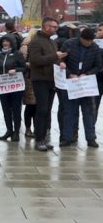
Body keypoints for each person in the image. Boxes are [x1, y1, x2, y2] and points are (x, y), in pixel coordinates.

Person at [28, 17, 68, 151]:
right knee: (42, 109)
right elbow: (35, 60)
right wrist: (55, 57)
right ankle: (39, 140)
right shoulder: (35, 42)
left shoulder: (52, 42)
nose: (56, 29)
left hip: (52, 79)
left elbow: (54, 59)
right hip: (40, 79)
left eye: (56, 27)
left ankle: (43, 138)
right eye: (53, 27)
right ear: (46, 27)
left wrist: (60, 62)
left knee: (47, 110)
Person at [59, 28, 101, 148]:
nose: (88, 43)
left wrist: (87, 74)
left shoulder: (95, 48)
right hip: (71, 83)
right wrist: (69, 73)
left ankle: (91, 138)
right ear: (81, 38)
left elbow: (98, 66)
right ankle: (68, 137)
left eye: (90, 41)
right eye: (86, 41)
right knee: (69, 112)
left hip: (86, 85)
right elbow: (61, 60)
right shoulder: (69, 44)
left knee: (88, 113)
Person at [0, 35, 26, 142]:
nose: (5, 43)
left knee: (16, 109)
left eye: (7, 41)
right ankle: (9, 130)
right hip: (3, 86)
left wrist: (16, 70)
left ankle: (16, 131)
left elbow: (24, 68)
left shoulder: (17, 54)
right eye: (3, 41)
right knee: (5, 109)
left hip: (16, 86)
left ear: (12, 42)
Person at [20, 28, 38, 138]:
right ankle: (28, 128)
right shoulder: (25, 47)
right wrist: (34, 64)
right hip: (29, 79)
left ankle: (37, 128)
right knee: (30, 105)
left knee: (38, 106)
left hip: (38, 78)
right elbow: (22, 62)